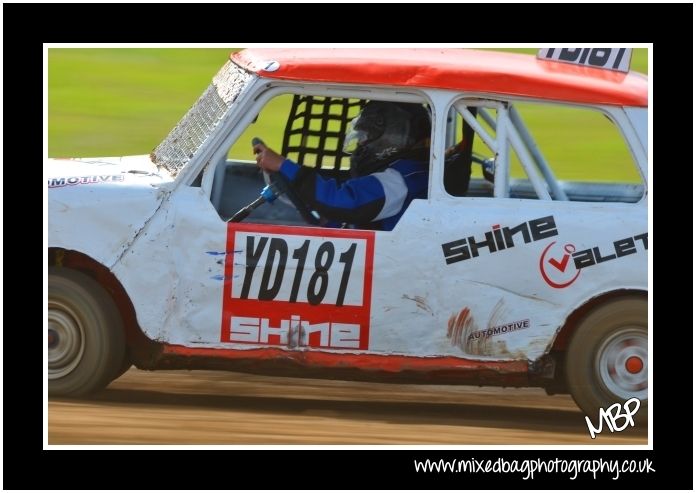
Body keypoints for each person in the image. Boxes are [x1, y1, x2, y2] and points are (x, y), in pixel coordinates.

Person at [253, 101, 431, 231]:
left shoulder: (399, 181)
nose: (361, 144)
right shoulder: (408, 174)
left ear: (393, 137)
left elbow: (344, 202)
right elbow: (360, 219)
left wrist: (284, 166)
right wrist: (329, 221)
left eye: (365, 138)